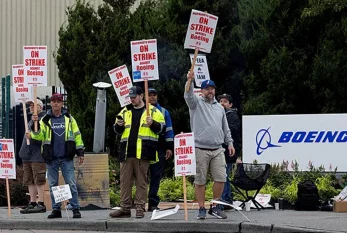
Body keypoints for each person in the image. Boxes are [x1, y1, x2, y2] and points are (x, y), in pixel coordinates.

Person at [109, 86, 165, 218]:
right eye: (130, 97)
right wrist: (119, 125)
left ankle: (140, 208)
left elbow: (162, 129)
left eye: (134, 97)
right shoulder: (125, 111)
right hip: (127, 152)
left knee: (141, 182)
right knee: (125, 181)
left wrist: (154, 124)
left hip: (144, 152)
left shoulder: (153, 111)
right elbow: (116, 130)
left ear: (141, 96)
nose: (132, 99)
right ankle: (125, 208)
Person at [184, 74, 235, 220]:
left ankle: (215, 206)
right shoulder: (195, 104)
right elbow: (188, 94)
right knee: (200, 180)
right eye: (206, 88)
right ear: (201, 91)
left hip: (218, 148)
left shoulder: (220, 108)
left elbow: (225, 127)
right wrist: (190, 80)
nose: (210, 91)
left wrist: (230, 142)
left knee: (221, 178)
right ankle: (201, 208)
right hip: (200, 148)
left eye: (212, 88)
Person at [28, 93, 84, 219]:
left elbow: (77, 135)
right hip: (51, 157)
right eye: (54, 101)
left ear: (62, 103)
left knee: (71, 183)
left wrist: (80, 152)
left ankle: (75, 208)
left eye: (58, 101)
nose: (56, 103)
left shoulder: (69, 118)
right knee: (53, 184)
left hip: (66, 157)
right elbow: (39, 136)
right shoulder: (45, 119)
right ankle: (56, 209)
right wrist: (34, 126)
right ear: (51, 103)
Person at [147, 88, 174, 211]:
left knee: (156, 176)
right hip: (142, 148)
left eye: (154, 95)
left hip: (159, 148)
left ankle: (153, 203)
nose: (152, 97)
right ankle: (139, 203)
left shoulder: (163, 111)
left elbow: (169, 130)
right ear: (144, 97)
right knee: (141, 177)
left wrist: (169, 147)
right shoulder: (141, 110)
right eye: (149, 95)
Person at [19, 99, 47, 214]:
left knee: (39, 179)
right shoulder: (30, 120)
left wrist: (33, 134)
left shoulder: (43, 119)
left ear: (40, 107)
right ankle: (33, 202)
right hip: (27, 156)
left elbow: (42, 135)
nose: (31, 107)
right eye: (30, 105)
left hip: (37, 155)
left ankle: (41, 203)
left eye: (34, 105)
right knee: (29, 180)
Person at [218, 93, 241, 209]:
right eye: (220, 101)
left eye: (225, 102)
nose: (222, 104)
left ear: (230, 104)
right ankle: (227, 199)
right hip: (221, 151)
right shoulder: (219, 115)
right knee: (223, 176)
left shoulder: (232, 116)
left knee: (223, 176)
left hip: (228, 152)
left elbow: (232, 130)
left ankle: (226, 200)